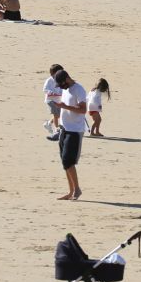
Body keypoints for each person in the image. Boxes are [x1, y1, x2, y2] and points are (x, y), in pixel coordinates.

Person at [53, 68, 87, 200]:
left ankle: (77, 190)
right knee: (64, 162)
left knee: (68, 160)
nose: (62, 87)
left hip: (75, 130)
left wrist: (65, 107)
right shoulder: (66, 89)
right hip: (64, 129)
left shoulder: (79, 89)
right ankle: (71, 191)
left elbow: (83, 109)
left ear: (67, 79)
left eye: (62, 84)